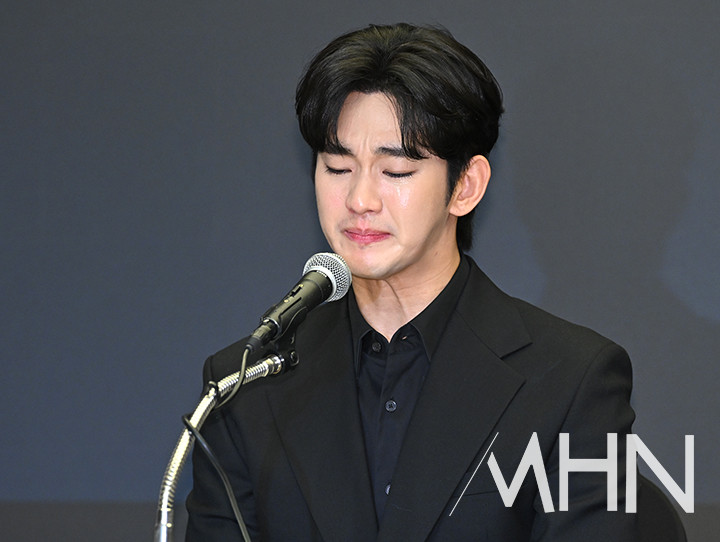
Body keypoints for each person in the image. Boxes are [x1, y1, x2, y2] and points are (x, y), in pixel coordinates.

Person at [185, 23, 636, 541]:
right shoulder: (244, 385)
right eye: (337, 167)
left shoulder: (572, 380)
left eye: (395, 171)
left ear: (465, 186)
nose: (359, 200)